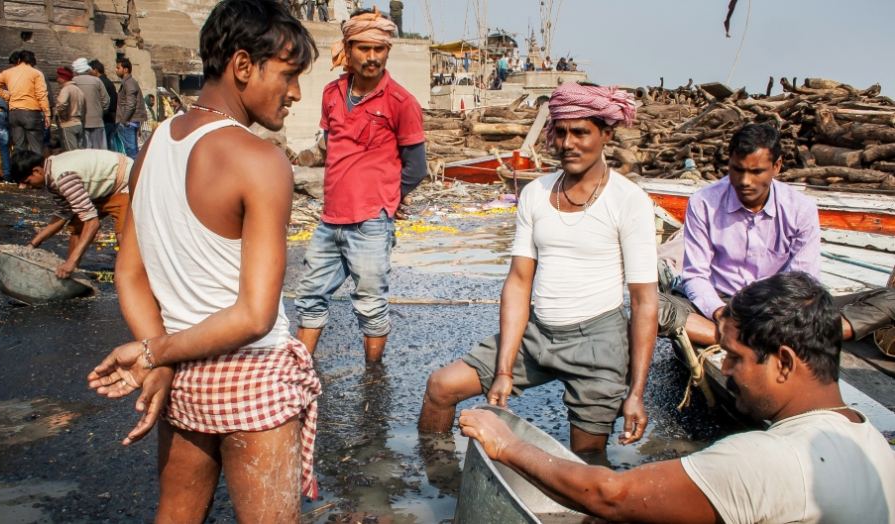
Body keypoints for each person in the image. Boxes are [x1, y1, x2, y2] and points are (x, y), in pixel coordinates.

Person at [86, 0, 322, 521]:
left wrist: (159, 356)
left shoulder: (154, 145)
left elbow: (130, 273)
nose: (295, 93)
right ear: (243, 65)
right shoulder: (261, 160)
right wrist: (153, 354)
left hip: (182, 375)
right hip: (252, 374)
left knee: (175, 515)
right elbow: (254, 317)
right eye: (288, 75)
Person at [460, 272, 895, 524]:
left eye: (735, 357)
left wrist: (507, 444)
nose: (724, 368)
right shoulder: (870, 440)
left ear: (783, 362)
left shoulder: (770, 459)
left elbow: (610, 493)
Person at [419, 83, 658, 460]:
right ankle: (436, 478)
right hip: (537, 335)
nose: (568, 143)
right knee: (440, 387)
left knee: (585, 463)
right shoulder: (535, 194)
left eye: (580, 132)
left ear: (606, 134)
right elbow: (518, 283)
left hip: (598, 344)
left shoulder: (629, 201)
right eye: (560, 132)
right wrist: (503, 370)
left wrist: (636, 393)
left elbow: (644, 302)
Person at [657, 123, 895, 348]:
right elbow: (696, 275)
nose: (745, 181)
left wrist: (774, 316)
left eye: (756, 172)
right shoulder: (703, 202)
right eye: (737, 170)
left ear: (777, 166)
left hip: (780, 309)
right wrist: (719, 312)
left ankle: (753, 336)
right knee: (651, 305)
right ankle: (759, 338)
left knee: (891, 299)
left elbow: (803, 281)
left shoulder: (800, 209)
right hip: (721, 302)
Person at [294, 7, 428, 362]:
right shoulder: (331, 93)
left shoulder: (401, 103)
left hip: (371, 222)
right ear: (348, 49)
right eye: (364, 48)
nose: (372, 57)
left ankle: (373, 377)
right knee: (309, 297)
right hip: (329, 220)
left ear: (387, 51)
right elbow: (330, 146)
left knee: (370, 304)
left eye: (379, 49)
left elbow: (417, 168)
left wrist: (387, 200)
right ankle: (301, 371)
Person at [11, 148, 131, 277]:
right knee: (77, 226)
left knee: (124, 233)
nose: (28, 187)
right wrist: (31, 246)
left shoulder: (63, 177)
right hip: (105, 186)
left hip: (126, 180)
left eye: (28, 182)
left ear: (37, 171)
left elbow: (92, 223)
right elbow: (62, 214)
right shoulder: (51, 175)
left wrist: (71, 262)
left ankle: (131, 276)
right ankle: (72, 273)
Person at [0, 50, 49, 154]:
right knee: (36, 147)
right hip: (31, 112)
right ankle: (36, 164)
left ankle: (18, 164)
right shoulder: (36, 73)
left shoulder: (7, 72)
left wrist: (7, 97)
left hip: (14, 113)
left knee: (18, 147)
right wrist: (47, 113)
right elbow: (41, 94)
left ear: (19, 59)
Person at [70, 58, 110, 149]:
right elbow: (106, 100)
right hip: (97, 121)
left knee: (86, 151)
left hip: (81, 121)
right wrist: (101, 111)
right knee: (100, 151)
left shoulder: (73, 81)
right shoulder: (97, 80)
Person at [115, 57, 148, 158]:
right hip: (129, 122)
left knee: (131, 152)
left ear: (125, 69)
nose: (116, 70)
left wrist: (123, 121)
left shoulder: (129, 83)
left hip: (128, 122)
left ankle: (135, 168)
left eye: (118, 68)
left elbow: (130, 104)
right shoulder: (127, 83)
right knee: (131, 151)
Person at [88, 60, 118, 150]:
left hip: (105, 119)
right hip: (111, 118)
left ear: (95, 70)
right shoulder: (108, 82)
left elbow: (105, 101)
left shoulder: (100, 83)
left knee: (103, 147)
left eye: (89, 70)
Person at [54, 67, 85, 151]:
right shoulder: (78, 89)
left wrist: (60, 113)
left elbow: (62, 103)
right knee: (80, 151)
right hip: (78, 123)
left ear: (63, 78)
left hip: (68, 124)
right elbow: (83, 107)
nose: (57, 80)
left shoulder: (66, 89)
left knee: (70, 153)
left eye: (58, 77)